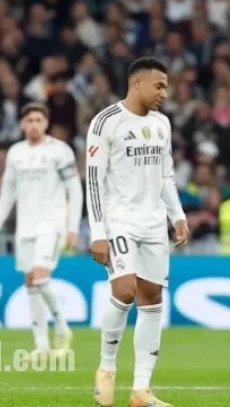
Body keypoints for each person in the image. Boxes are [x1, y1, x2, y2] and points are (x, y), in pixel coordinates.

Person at [86, 57, 189, 407]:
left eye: (166, 86)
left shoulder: (162, 124)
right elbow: (94, 181)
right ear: (137, 84)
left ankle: (141, 391)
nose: (164, 92)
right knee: (124, 290)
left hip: (153, 222)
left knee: (152, 300)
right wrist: (97, 230)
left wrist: (177, 215)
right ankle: (106, 369)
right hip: (119, 220)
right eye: (159, 85)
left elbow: (166, 176)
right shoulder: (105, 122)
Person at [0, 102, 83, 357]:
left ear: (46, 123)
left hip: (51, 225)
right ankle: (41, 345)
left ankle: (62, 325)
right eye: (29, 120)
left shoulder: (59, 151)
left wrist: (73, 226)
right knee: (31, 284)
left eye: (39, 119)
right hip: (25, 227)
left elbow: (75, 189)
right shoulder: (15, 153)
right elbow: (7, 193)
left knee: (40, 278)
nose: (34, 124)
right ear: (21, 124)